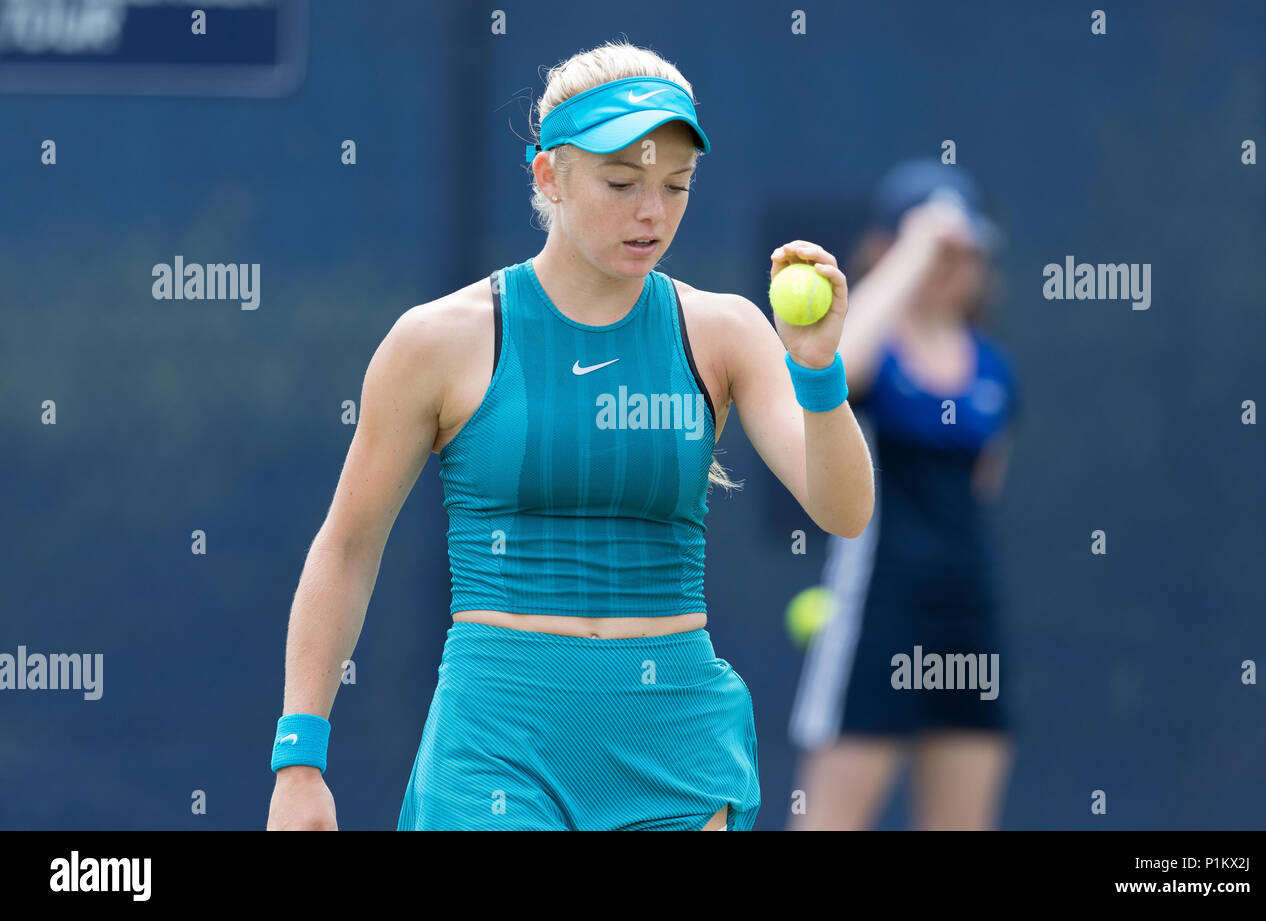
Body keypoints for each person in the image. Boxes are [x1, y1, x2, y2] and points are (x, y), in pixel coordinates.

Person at [265, 39, 872, 832]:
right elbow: (347, 547)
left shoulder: (724, 330)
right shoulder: (436, 341)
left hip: (673, 738)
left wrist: (821, 374)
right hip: (498, 741)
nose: (652, 212)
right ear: (550, 175)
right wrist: (299, 759)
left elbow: (843, 510)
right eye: (621, 183)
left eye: (675, 185)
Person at [787, 159, 1020, 830]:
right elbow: (834, 367)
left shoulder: (996, 371)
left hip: (970, 613)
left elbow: (986, 482)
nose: (949, 262)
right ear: (885, 250)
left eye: (960, 250)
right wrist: (919, 248)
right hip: (877, 612)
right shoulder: (869, 350)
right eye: (930, 249)